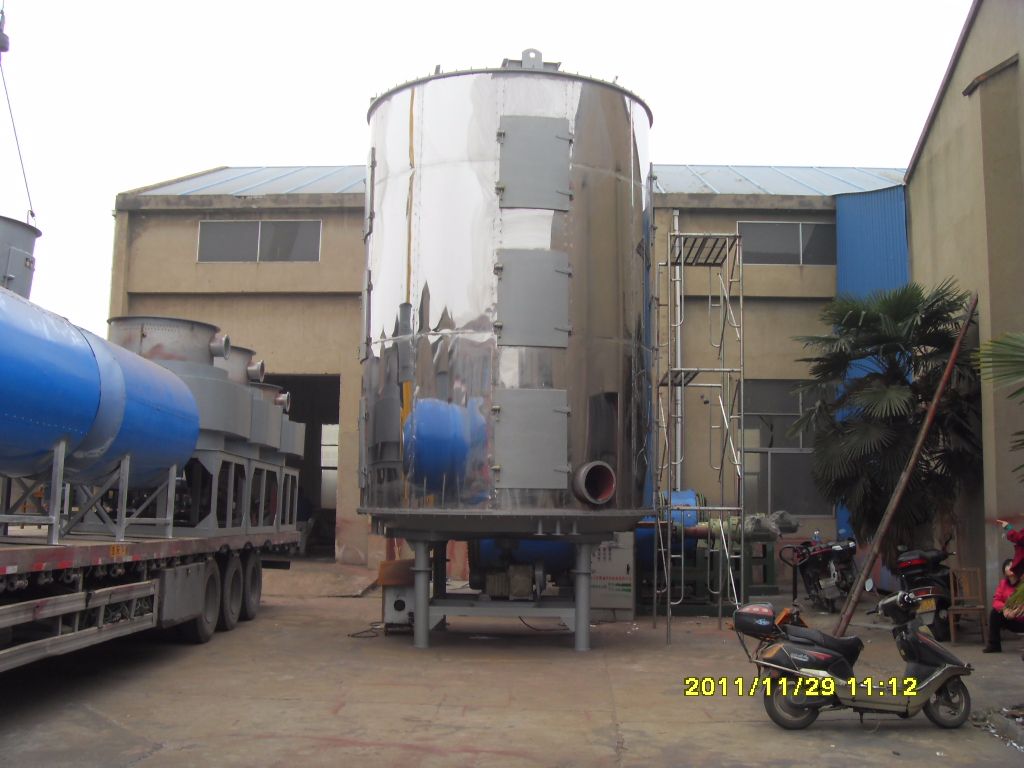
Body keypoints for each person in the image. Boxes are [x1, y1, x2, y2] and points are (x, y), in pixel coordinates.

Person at [983, 558, 1024, 653]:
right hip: (1009, 618)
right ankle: (994, 645)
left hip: (1022, 619)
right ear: (1004, 571)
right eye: (1008, 565)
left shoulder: (1023, 583)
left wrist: (1015, 612)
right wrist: (1005, 609)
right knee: (994, 613)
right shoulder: (1003, 583)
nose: (1010, 566)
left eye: (1012, 564)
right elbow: (996, 600)